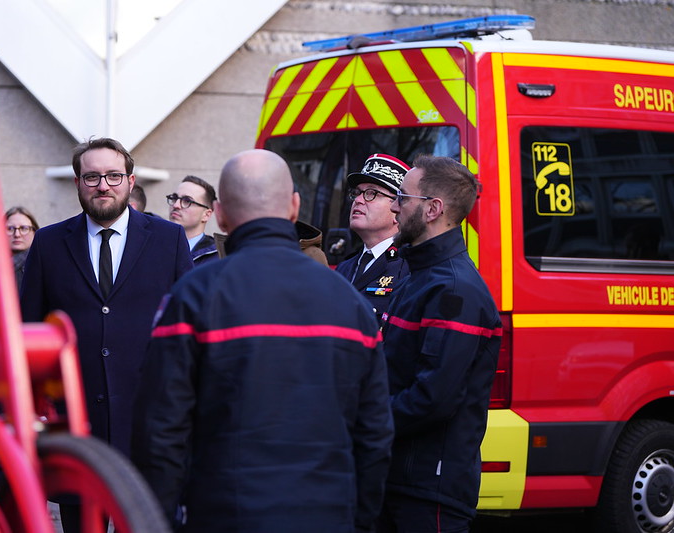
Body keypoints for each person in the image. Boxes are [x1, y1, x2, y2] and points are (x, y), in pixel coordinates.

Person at [132, 149, 394, 533]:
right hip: (326, 514)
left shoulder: (193, 296)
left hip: (222, 514)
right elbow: (374, 435)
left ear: (219, 214)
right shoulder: (350, 303)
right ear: (293, 206)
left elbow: (160, 430)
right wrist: (358, 519)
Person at [20, 137, 193, 532]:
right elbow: (29, 332)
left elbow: (186, 332)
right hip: (77, 431)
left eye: (114, 175)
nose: (104, 185)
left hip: (148, 428)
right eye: (92, 176)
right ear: (78, 183)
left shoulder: (168, 240)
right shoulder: (47, 243)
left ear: (131, 182)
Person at [376, 155, 503, 533]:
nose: (394, 206)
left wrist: (363, 420)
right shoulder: (420, 275)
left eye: (401, 196)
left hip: (428, 490)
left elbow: (432, 398)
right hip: (399, 478)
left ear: (433, 209)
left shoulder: (453, 289)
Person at [335, 154, 409, 323]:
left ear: (398, 208)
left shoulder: (409, 268)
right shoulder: (344, 269)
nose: (359, 200)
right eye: (357, 193)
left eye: (372, 193)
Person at [0, 206, 39, 317]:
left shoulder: (44, 270)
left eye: (24, 228)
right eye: (10, 229)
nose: (17, 234)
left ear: (35, 232)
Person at [166, 175, 219, 265]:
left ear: (206, 214)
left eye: (187, 201)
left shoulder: (219, 258)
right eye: (174, 198)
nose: (176, 205)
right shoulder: (153, 245)